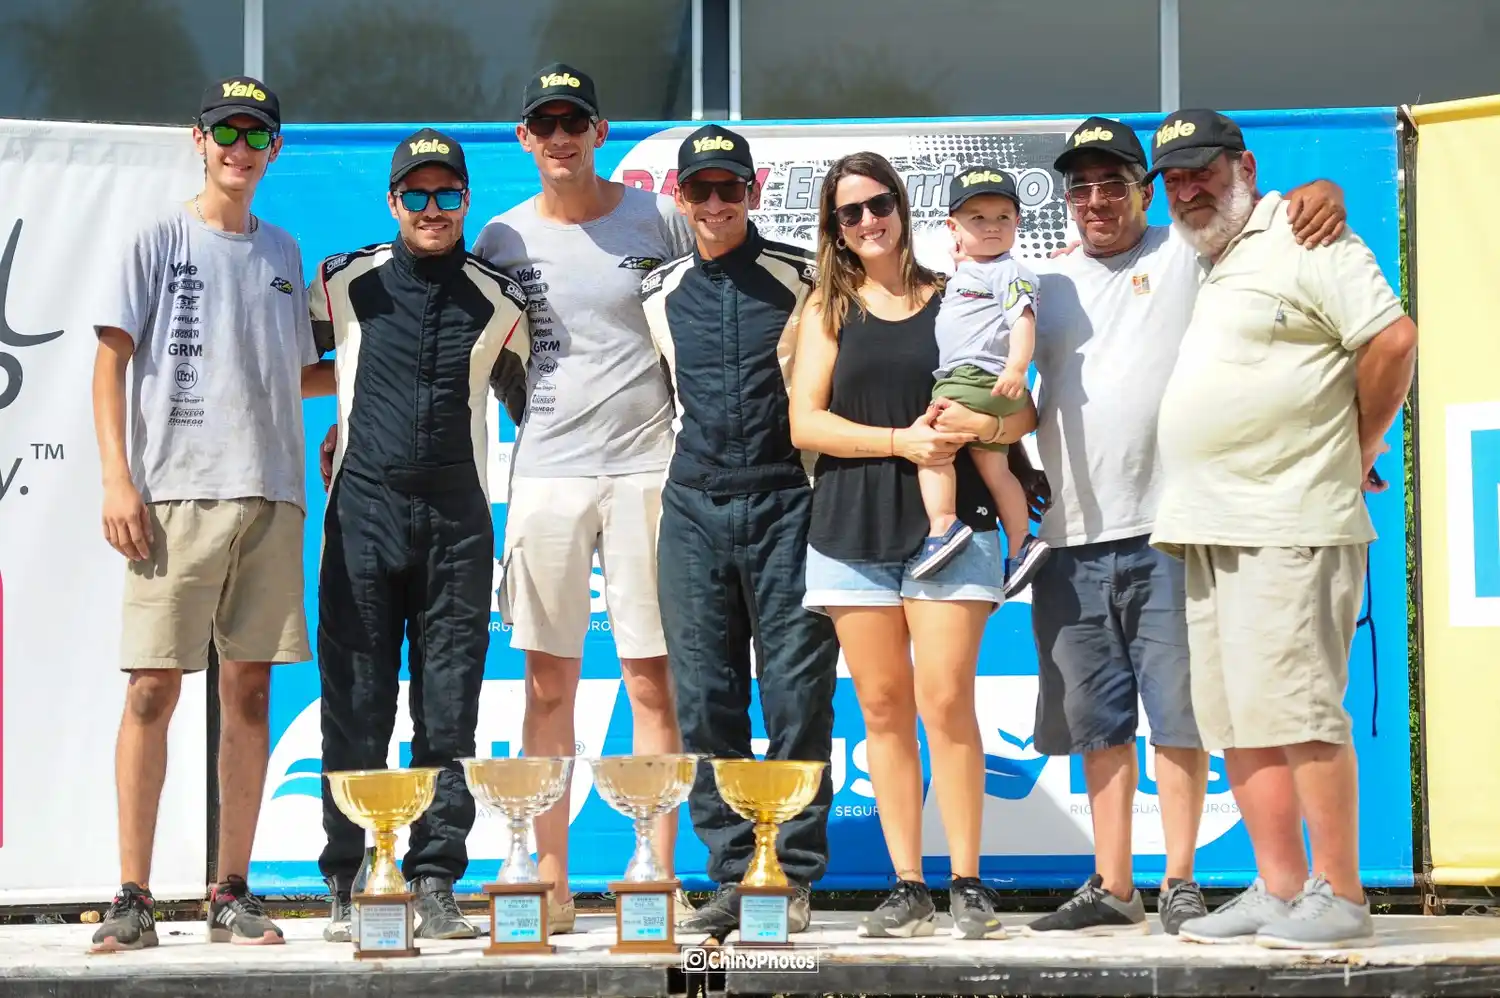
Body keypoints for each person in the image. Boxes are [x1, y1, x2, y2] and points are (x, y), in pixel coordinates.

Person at [999, 117, 1349, 937]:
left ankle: (1181, 879)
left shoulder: (1186, 250)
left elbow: (1263, 219)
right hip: (1071, 533)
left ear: (1143, 191)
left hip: (1172, 525)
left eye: (1112, 183)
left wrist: (1320, 193)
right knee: (1099, 722)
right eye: (1079, 187)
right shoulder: (1041, 286)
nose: (1095, 201)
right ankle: (1113, 882)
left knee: (1181, 715)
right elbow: (1011, 394)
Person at [1144, 109, 1414, 949]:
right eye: (1176, 179)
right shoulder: (1212, 258)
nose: (1189, 190)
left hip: (1288, 516)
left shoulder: (1304, 230)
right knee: (1238, 722)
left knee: (1300, 715)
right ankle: (1280, 885)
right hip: (1210, 524)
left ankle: (1341, 894)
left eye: (1203, 171)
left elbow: (1392, 340)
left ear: (1244, 166)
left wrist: (1356, 445)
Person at [90, 77, 328, 951]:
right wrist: (119, 480)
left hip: (272, 493)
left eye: (255, 134)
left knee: (250, 691)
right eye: (226, 130)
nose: (239, 146)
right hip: (175, 494)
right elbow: (110, 362)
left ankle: (230, 892)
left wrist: (388, 363)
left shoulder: (285, 250)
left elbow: (295, 372)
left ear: (273, 150)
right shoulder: (158, 237)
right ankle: (133, 896)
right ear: (200, 139)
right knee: (153, 687)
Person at [471, 63, 697, 930]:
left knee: (650, 680)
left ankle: (655, 884)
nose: (561, 138)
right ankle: (549, 883)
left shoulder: (660, 217)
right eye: (544, 125)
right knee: (546, 683)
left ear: (601, 133)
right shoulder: (501, 238)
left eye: (576, 122)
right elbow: (486, 359)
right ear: (525, 139)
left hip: (650, 468)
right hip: (547, 473)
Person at [788, 151, 1035, 941]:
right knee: (884, 709)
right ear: (834, 227)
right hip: (850, 528)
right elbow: (806, 425)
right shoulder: (829, 308)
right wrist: (902, 442)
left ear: (903, 206)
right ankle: (908, 886)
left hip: (954, 525)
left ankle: (967, 882)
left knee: (945, 701)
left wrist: (983, 429)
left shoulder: (960, 288)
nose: (868, 221)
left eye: (879, 204)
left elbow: (1020, 411)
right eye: (849, 212)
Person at [310, 129, 530, 942]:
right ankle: (352, 880)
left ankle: (435, 880)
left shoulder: (499, 298)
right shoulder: (344, 281)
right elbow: (291, 364)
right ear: (393, 201)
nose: (432, 210)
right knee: (357, 703)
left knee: (449, 711)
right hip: (362, 510)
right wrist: (335, 422)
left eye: (447, 195)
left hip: (457, 521)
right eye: (417, 195)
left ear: (466, 201)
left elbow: (531, 397)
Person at [639, 124, 840, 937]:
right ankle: (732, 874)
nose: (716, 203)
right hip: (691, 505)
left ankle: (788, 877)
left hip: (788, 501)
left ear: (753, 194)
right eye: (700, 190)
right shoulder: (657, 290)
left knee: (797, 697)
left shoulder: (808, 279)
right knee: (706, 700)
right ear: (679, 198)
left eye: (730, 188)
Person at [913, 165, 1050, 598]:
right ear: (954, 228)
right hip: (985, 383)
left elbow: (1022, 320)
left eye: (1002, 218)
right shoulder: (975, 269)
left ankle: (943, 525)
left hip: (970, 377)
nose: (992, 227)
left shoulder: (1009, 271)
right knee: (996, 469)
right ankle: (1021, 543)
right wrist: (964, 260)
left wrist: (1017, 367)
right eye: (978, 219)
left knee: (931, 444)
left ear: (1018, 223)